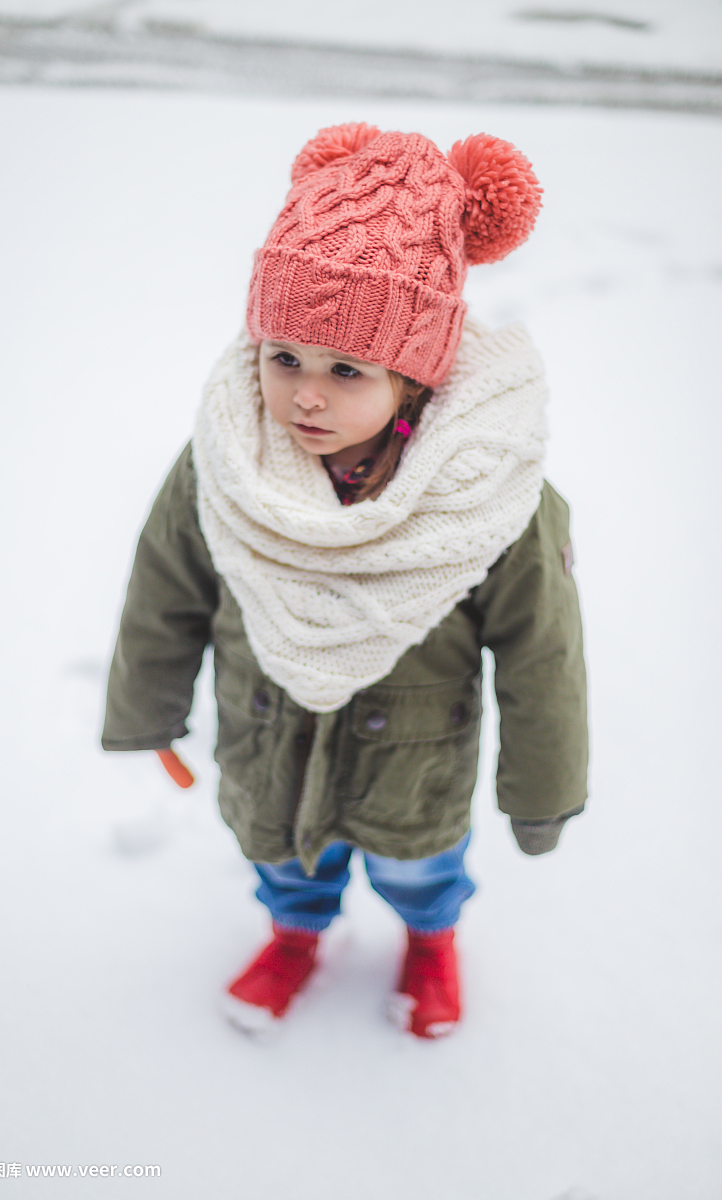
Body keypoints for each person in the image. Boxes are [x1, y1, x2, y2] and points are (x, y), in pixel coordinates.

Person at [102, 123, 588, 1039]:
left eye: (345, 370)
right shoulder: (227, 461)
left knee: (422, 871)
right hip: (266, 735)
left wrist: (542, 788)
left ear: (413, 379)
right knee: (286, 861)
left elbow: (543, 654)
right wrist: (148, 711)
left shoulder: (492, 496)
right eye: (283, 356)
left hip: (415, 761)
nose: (305, 396)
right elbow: (165, 589)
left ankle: (430, 942)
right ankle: (294, 936)